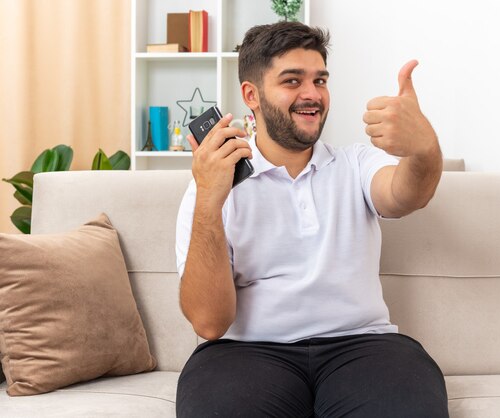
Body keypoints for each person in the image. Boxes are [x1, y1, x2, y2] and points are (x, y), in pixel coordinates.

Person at [175, 21, 448, 418]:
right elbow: (209, 322)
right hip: (245, 353)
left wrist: (424, 150)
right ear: (251, 94)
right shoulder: (212, 182)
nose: (312, 94)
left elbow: (407, 194)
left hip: (363, 346)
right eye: (292, 80)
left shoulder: (356, 163)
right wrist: (209, 201)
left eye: (320, 80)